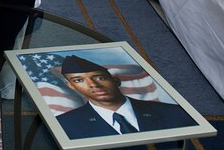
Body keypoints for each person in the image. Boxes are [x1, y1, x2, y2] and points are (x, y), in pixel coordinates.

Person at [55, 55, 196, 139]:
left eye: (99, 77)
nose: (93, 85)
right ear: (71, 86)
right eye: (79, 80)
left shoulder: (173, 112)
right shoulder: (64, 124)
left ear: (116, 81)